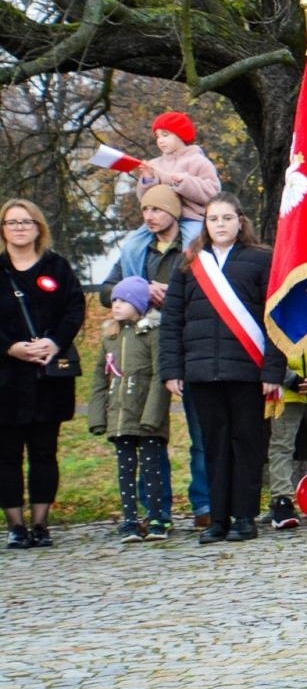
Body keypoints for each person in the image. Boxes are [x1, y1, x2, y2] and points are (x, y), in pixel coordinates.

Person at [159, 193, 285, 543]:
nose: (220, 225)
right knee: (212, 446)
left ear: (240, 221)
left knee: (247, 444)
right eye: (213, 219)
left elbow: (276, 318)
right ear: (205, 224)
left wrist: (273, 371)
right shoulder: (189, 264)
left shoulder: (262, 260)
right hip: (201, 372)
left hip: (248, 371)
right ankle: (218, 519)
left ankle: (244, 516)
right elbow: (172, 321)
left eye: (227, 218)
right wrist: (171, 369)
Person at [99, 185, 210, 530]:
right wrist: (139, 288)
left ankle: (204, 503)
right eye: (145, 210)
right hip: (144, 354)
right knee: (149, 432)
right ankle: (155, 509)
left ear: (173, 213)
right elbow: (107, 290)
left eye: (157, 210)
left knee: (201, 433)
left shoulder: (191, 249)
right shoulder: (136, 250)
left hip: (189, 344)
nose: (149, 216)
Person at [0, 199, 85, 549]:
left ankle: (40, 523)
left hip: (48, 376)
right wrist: (10, 347)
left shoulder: (57, 267)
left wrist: (53, 342)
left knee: (44, 451)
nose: (19, 227)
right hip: (5, 376)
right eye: (11, 222)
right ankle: (15, 525)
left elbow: (75, 307)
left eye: (26, 221)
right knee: (6, 455)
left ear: (38, 226)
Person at [88, 276, 171, 542]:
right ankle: (130, 520)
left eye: (123, 300)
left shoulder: (153, 334)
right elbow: (100, 379)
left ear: (139, 304)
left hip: (147, 417)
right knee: (125, 469)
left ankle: (157, 517)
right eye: (114, 300)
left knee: (151, 469)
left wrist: (152, 417)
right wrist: (98, 417)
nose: (116, 305)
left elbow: (160, 376)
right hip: (119, 417)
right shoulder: (110, 337)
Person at [264, 351, 307, 529]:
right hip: (285, 390)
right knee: (281, 446)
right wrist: (290, 378)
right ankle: (282, 501)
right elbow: (269, 347)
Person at [136, 111, 221, 222]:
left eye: (165, 135)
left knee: (193, 238)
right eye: (157, 136)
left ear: (181, 135)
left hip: (191, 219)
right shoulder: (154, 164)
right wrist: (148, 179)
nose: (160, 140)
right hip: (159, 221)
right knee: (134, 240)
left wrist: (185, 182)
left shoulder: (199, 161)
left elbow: (213, 194)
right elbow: (144, 199)